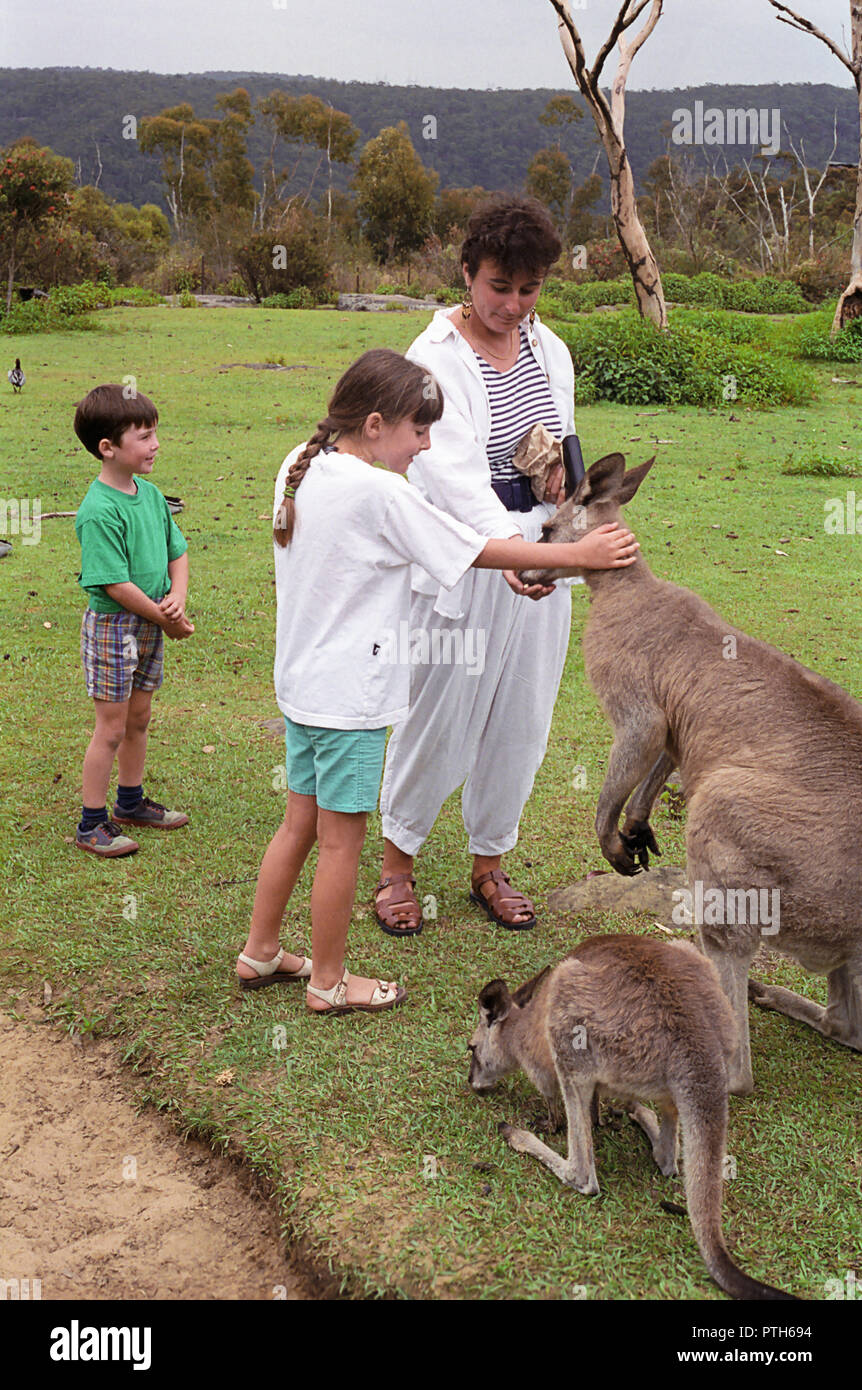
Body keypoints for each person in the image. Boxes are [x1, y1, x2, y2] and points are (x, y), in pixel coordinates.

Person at [236, 349, 637, 1015]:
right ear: (373, 424)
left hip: (304, 689)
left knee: (297, 825)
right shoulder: (380, 490)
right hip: (351, 701)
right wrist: (576, 553)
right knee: (341, 843)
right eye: (418, 432)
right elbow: (477, 548)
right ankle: (329, 982)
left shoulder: (301, 465)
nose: (425, 446)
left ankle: (261, 951)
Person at [376, 195, 589, 936]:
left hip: (540, 550)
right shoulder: (431, 360)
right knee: (443, 712)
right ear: (467, 274)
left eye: (528, 289)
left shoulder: (549, 349)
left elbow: (566, 442)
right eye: (499, 287)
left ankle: (489, 862)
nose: (512, 304)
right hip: (462, 561)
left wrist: (568, 518)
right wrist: (514, 552)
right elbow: (450, 476)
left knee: (523, 714)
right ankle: (397, 864)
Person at [73, 384, 194, 857]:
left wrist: (177, 600)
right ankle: (91, 822)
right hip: (115, 629)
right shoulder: (98, 511)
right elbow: (113, 584)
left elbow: (177, 552)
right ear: (108, 448)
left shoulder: (151, 495)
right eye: (143, 437)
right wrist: (164, 616)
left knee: (139, 718)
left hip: (149, 623)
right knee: (111, 727)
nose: (155, 444)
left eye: (155, 434)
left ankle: (130, 802)